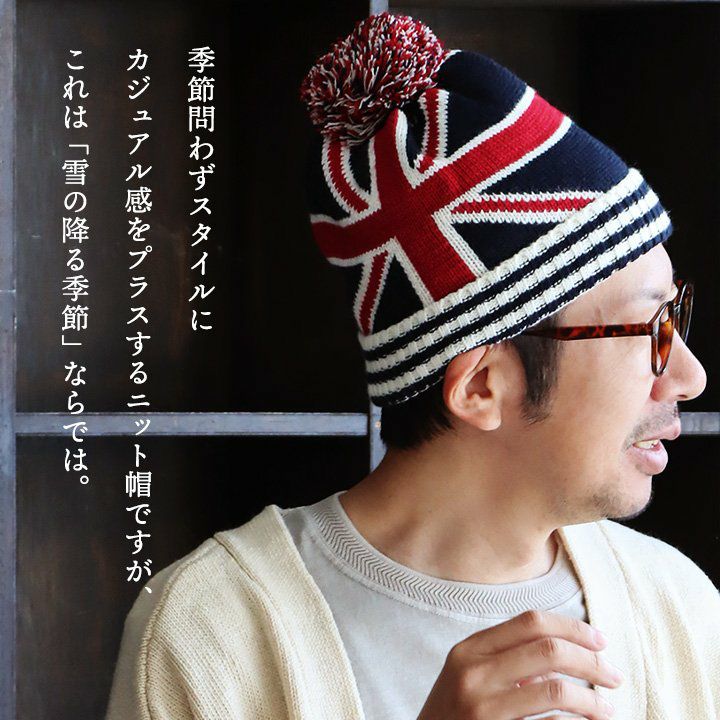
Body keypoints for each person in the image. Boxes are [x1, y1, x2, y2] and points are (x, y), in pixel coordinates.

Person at [105, 12, 719, 720]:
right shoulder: (212, 634)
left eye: (676, 316)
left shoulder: (679, 608)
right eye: (650, 328)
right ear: (482, 385)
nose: (690, 376)